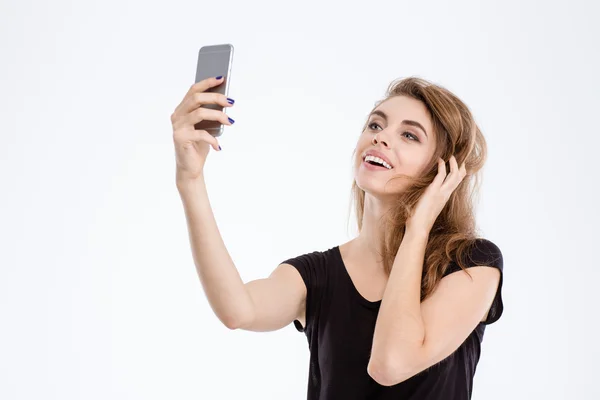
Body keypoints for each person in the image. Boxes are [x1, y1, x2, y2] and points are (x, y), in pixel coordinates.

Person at [171, 75, 504, 400]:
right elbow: (237, 310)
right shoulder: (319, 274)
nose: (382, 137)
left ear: (441, 171)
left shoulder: (472, 264)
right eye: (376, 125)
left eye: (409, 136)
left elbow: (390, 364)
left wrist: (417, 229)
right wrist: (190, 179)